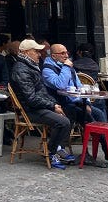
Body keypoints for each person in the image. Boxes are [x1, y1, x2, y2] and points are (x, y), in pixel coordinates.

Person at [43, 43, 108, 166]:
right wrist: (66, 68)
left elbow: (79, 86)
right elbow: (60, 85)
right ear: (53, 56)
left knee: (98, 113)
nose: (66, 55)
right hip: (61, 106)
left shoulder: (68, 66)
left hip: (76, 102)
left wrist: (87, 102)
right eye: (62, 53)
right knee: (89, 119)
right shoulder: (48, 69)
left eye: (67, 52)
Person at [10, 38, 75, 169]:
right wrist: (52, 105)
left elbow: (41, 93)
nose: (40, 54)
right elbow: (31, 98)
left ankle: (58, 148)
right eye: (36, 51)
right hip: (30, 110)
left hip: (36, 106)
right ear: (27, 52)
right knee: (63, 122)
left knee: (69, 112)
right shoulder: (22, 70)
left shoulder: (30, 66)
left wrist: (54, 104)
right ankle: (52, 153)